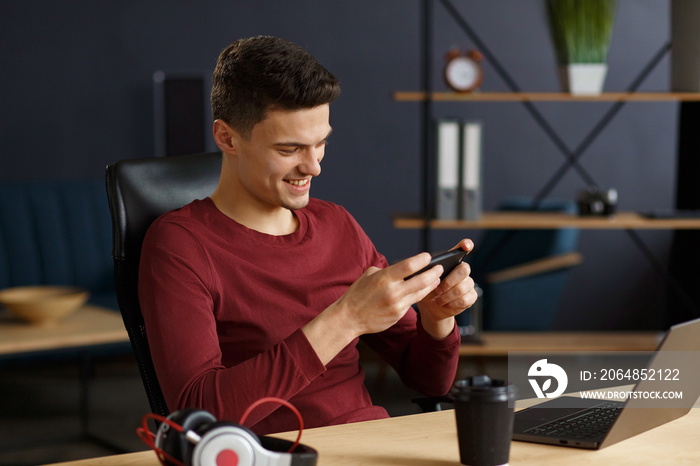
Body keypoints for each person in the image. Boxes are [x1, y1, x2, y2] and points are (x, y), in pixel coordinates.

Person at [138, 35, 478, 435]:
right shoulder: (179, 246)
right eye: (289, 150)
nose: (314, 167)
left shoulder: (338, 225)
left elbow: (429, 382)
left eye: (321, 145)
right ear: (227, 138)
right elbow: (198, 414)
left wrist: (437, 320)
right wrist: (346, 318)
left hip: (369, 443)